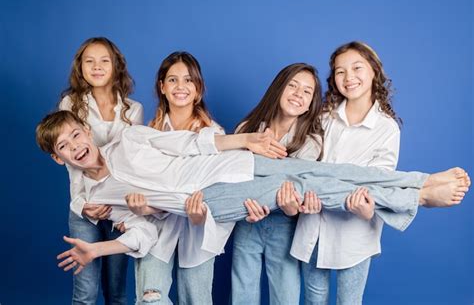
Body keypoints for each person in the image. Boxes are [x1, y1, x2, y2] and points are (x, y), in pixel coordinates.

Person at [35, 110, 469, 275]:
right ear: (59, 159)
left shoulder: (128, 138)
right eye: (65, 147)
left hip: (230, 163)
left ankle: (416, 183)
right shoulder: (95, 199)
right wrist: (100, 249)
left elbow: (190, 142)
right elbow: (143, 234)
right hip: (208, 199)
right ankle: (418, 195)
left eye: (77, 134)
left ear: (86, 130)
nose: (77, 146)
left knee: (325, 173)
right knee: (322, 191)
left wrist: (244, 142)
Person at [292, 41, 470, 305]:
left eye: (357, 68)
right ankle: (420, 189)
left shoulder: (386, 128)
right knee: (314, 299)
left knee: (349, 302)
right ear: (333, 79)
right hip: (314, 224)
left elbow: (378, 183)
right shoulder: (323, 117)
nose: (349, 77)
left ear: (374, 71)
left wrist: (367, 209)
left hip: (355, 232)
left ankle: (420, 189)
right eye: (340, 71)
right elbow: (308, 170)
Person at [130, 51, 227, 305]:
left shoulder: (215, 135)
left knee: (197, 300)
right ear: (162, 87)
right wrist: (142, 207)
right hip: (156, 229)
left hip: (197, 230)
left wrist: (201, 215)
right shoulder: (148, 135)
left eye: (188, 80)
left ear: (199, 88)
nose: (180, 87)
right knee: (149, 299)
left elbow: (221, 194)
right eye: (172, 80)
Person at [231, 63, 328, 304]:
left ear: (311, 103)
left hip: (285, 227)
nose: (298, 94)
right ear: (278, 88)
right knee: (242, 294)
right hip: (247, 220)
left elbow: (297, 195)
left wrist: (290, 207)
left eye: (307, 91)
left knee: (285, 297)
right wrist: (249, 200)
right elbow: (232, 178)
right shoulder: (247, 129)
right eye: (292, 85)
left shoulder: (311, 142)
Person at [58, 37, 143, 305]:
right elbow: (73, 165)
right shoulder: (71, 105)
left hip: (119, 209)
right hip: (86, 208)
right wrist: (82, 205)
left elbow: (131, 164)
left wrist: (125, 208)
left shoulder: (134, 110)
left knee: (116, 291)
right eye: (89, 61)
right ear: (80, 67)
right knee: (85, 293)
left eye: (104, 60)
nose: (97, 67)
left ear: (116, 65)